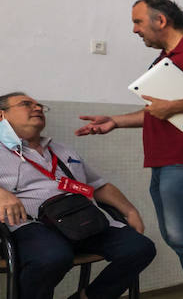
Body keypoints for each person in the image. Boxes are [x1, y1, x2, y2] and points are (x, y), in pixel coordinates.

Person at [75, 0, 183, 299]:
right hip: (166, 162)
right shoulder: (165, 59)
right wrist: (113, 121)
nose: (135, 30)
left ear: (160, 20)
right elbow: (158, 113)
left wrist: (175, 105)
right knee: (178, 238)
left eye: (138, 22)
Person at [1, 92, 156, 299]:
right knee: (52, 257)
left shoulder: (63, 151)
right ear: (2, 115)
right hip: (32, 225)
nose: (37, 108)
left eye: (40, 105)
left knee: (140, 247)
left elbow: (97, 186)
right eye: (26, 104)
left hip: (79, 220)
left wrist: (130, 210)